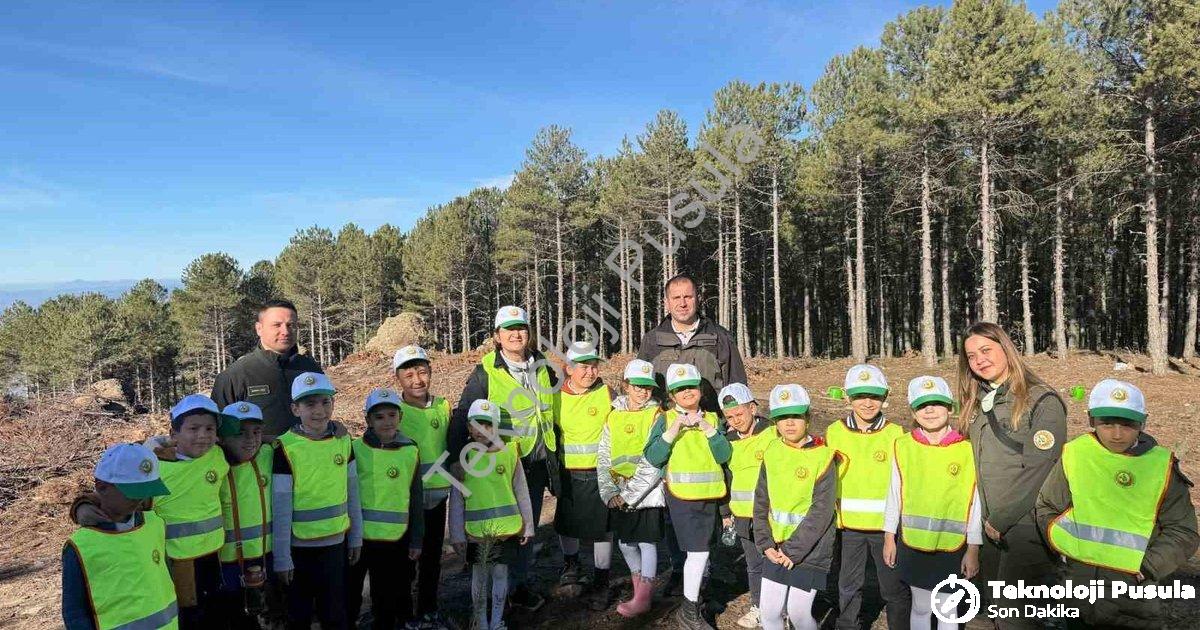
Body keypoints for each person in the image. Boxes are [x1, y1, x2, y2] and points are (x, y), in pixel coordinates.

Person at [1036, 379, 1199, 628]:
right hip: (1080, 593)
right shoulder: (1075, 454)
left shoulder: (1161, 466)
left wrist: (1148, 567)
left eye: (1127, 424)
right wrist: (1066, 548)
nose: (1117, 433)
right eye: (1107, 423)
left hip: (1135, 601)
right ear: (1091, 420)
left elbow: (1184, 531)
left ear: (1143, 422)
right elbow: (1047, 506)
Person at [638, 273, 746, 592]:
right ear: (666, 302)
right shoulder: (652, 340)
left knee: (708, 502)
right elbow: (641, 387)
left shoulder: (720, 337)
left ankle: (705, 567)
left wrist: (732, 425)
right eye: (676, 298)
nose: (683, 303)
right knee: (671, 505)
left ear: (698, 298)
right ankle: (678, 566)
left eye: (688, 296)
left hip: (708, 430)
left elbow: (737, 386)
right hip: (671, 434)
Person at [448, 305, 558, 612]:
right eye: (508, 329)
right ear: (498, 336)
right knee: (497, 531)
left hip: (535, 460)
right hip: (500, 463)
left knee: (525, 526)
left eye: (521, 328)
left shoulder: (543, 366)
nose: (516, 334)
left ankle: (516, 587)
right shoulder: (486, 371)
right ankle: (490, 593)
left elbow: (552, 411)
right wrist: (457, 458)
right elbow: (463, 414)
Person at [956, 322, 1066, 628]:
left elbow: (1040, 467)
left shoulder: (1041, 400)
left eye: (986, 350)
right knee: (983, 613)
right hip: (988, 527)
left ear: (1006, 348)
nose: (979, 360)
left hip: (1025, 527)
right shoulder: (977, 403)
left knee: (1015, 617)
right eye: (971, 355)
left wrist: (1000, 518)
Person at [883, 376, 982, 630]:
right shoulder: (903, 446)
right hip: (913, 544)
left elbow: (975, 501)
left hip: (952, 547)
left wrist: (973, 547)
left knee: (947, 608)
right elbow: (894, 493)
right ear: (913, 412)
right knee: (921, 607)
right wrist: (889, 536)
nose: (929, 410)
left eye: (937, 403)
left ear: (950, 408)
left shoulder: (967, 448)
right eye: (921, 405)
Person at [643, 363, 732, 630]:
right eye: (679, 389)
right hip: (682, 499)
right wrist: (673, 431)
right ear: (671, 395)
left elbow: (724, 455)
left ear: (700, 390)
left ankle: (697, 599)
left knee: (705, 551)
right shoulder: (665, 419)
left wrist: (707, 428)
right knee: (698, 553)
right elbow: (653, 456)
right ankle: (688, 610)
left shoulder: (714, 420)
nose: (686, 393)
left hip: (711, 497)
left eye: (690, 387)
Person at [272, 372, 363, 630]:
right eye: (310, 404)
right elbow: (280, 507)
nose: (319, 411)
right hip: (298, 551)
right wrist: (282, 557)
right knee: (298, 616)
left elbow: (352, 492)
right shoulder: (285, 448)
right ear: (295, 408)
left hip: (335, 546)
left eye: (325, 402)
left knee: (335, 614)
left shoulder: (343, 441)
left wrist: (356, 536)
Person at [824, 365, 910, 629]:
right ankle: (847, 624)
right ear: (848, 397)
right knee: (848, 584)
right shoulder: (834, 432)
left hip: (886, 529)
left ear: (885, 397)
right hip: (848, 528)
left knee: (893, 586)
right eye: (860, 396)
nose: (867, 402)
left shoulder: (896, 434)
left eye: (874, 396)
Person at [62, 443, 177, 630]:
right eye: (132, 492)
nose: (139, 499)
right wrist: (81, 505)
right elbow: (75, 612)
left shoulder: (154, 523)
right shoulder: (80, 546)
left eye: (146, 490)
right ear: (102, 486)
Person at [753, 384, 836, 630]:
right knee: (768, 613)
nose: (789, 423)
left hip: (810, 551)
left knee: (799, 614)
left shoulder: (824, 457)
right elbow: (760, 502)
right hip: (775, 548)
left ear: (808, 419)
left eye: (796, 416)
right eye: (782, 417)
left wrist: (793, 550)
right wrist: (765, 543)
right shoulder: (771, 451)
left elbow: (822, 510)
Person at [449, 399, 536, 630]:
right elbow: (456, 501)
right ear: (469, 428)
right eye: (476, 425)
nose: (481, 431)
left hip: (505, 530)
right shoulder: (464, 461)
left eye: (488, 426)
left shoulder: (509, 455)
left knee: (499, 574)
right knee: (479, 577)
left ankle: (497, 620)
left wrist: (527, 526)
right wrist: (457, 535)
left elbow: (521, 490)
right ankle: (480, 621)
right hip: (476, 533)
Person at [347, 388, 425, 629]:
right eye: (379, 417)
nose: (387, 422)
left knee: (386, 596)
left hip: (395, 538)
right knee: (350, 594)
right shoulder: (354, 448)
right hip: (359, 538)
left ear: (400, 417)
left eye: (392, 415)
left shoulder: (410, 450)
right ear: (368, 420)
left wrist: (416, 539)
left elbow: (416, 497)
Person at [151, 394, 230, 628]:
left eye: (209, 428)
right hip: (175, 561)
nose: (203, 436)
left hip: (214, 555)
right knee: (187, 617)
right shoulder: (156, 466)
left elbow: (252, 439)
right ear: (174, 434)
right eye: (193, 428)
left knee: (213, 614)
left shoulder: (217, 455)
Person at [597, 358, 667, 618]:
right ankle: (638, 586)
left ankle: (644, 597)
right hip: (618, 492)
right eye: (637, 385)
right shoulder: (613, 415)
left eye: (647, 387)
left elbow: (655, 460)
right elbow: (603, 455)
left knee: (647, 542)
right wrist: (609, 492)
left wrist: (630, 495)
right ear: (626, 385)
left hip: (646, 493)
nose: (642, 391)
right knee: (626, 543)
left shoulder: (657, 415)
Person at [393, 345, 453, 629]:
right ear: (398, 379)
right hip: (407, 499)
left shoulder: (443, 406)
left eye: (422, 372)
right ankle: (405, 614)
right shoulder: (395, 412)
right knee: (406, 560)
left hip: (439, 496)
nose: (417, 380)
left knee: (431, 559)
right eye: (409, 374)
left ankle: (429, 608)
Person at [552, 344, 616, 608]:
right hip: (568, 473)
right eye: (583, 367)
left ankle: (602, 578)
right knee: (568, 523)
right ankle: (571, 565)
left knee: (603, 529)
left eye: (593, 366)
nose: (590, 372)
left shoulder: (606, 393)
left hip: (599, 473)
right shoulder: (555, 397)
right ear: (568, 368)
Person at [213, 299, 323, 440]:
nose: (285, 331)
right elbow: (218, 431)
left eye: (291, 325)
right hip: (260, 460)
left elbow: (324, 413)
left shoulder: (310, 369)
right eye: (277, 325)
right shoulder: (235, 376)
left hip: (308, 458)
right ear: (259, 329)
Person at [718, 382, 777, 629]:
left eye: (739, 414)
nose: (735, 421)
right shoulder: (726, 440)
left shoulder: (773, 433)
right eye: (729, 417)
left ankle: (778, 609)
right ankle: (759, 606)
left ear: (752, 408)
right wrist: (725, 512)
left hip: (771, 515)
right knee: (754, 564)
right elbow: (724, 477)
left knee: (775, 563)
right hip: (742, 513)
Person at [215, 401, 274, 629]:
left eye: (256, 432)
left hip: (265, 557)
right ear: (221, 437)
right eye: (240, 433)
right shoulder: (210, 462)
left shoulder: (268, 454)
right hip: (226, 564)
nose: (250, 439)